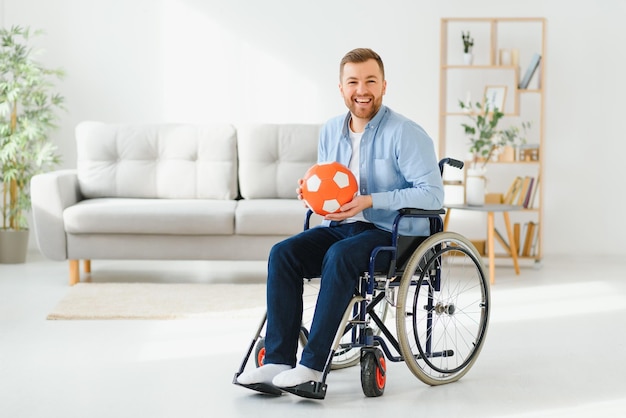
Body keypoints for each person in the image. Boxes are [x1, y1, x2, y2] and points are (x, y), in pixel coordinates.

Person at [236, 47, 444, 394]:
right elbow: (329, 181)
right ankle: (277, 360)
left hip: (391, 232)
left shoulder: (405, 132)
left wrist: (371, 200)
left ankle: (313, 367)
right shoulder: (331, 130)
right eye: (353, 82)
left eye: (370, 81)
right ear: (341, 88)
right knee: (282, 253)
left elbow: (433, 196)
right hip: (341, 227)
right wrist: (309, 191)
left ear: (383, 86)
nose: (362, 90)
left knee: (340, 256)